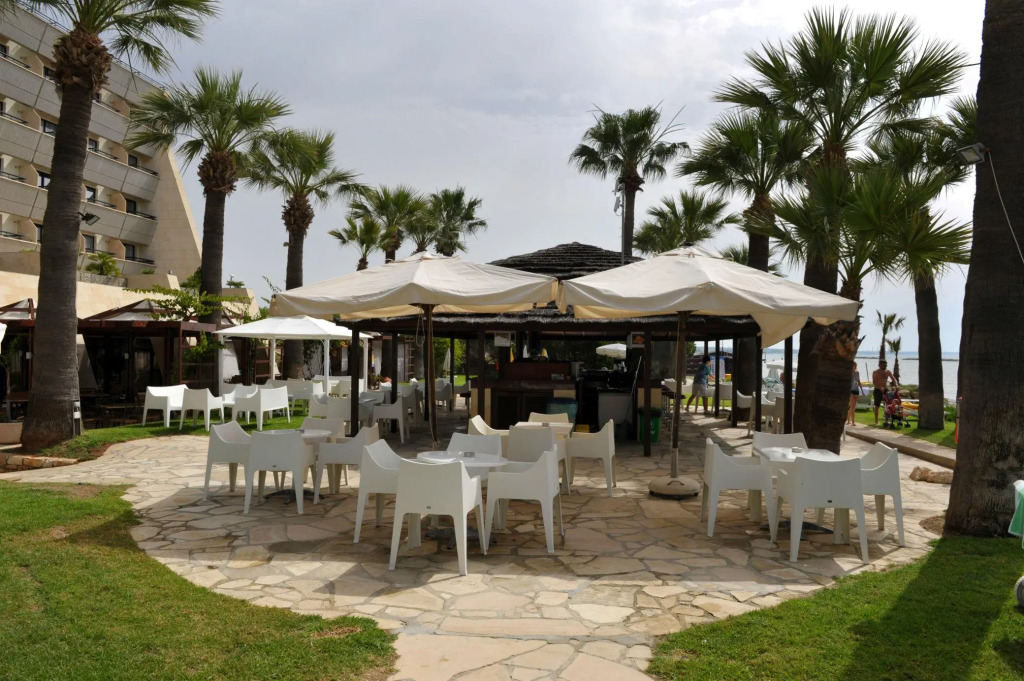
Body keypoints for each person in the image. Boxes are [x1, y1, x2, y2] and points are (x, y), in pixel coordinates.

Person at [872, 360, 898, 425]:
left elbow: (894, 379)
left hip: (885, 389)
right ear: (879, 365)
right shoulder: (875, 372)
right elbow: (874, 382)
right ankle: (876, 421)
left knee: (888, 404)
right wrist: (880, 387)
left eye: (886, 365)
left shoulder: (888, 372)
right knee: (877, 405)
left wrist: (896, 386)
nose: (885, 366)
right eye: (883, 365)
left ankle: (887, 419)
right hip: (877, 389)